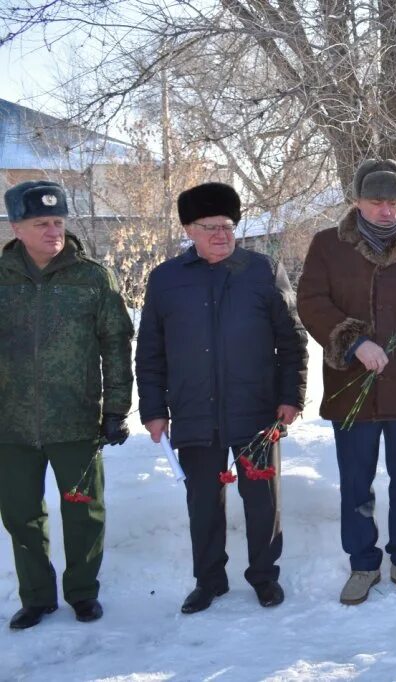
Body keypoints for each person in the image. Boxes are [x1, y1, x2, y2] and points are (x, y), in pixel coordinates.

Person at [136, 182, 307, 614]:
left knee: (262, 500)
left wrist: (291, 396)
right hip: (194, 411)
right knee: (203, 503)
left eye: (228, 226)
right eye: (210, 227)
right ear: (189, 230)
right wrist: (154, 410)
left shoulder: (262, 271)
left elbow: (292, 341)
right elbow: (150, 352)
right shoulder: (166, 280)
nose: (221, 234)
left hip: (256, 410)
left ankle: (264, 577)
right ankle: (209, 580)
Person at [296, 159, 396, 606]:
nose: (387, 210)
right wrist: (353, 340)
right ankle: (363, 564)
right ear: (357, 202)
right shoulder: (328, 245)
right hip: (351, 385)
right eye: (376, 201)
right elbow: (311, 301)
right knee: (356, 482)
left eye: (394, 202)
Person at [0, 181, 133, 629]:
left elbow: (116, 345)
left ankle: (82, 593)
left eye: (58, 222)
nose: (53, 231)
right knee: (21, 514)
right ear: (16, 227)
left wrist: (115, 409)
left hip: (76, 420)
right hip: (10, 425)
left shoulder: (92, 277)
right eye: (41, 224)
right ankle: (37, 597)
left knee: (83, 511)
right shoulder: (1, 278)